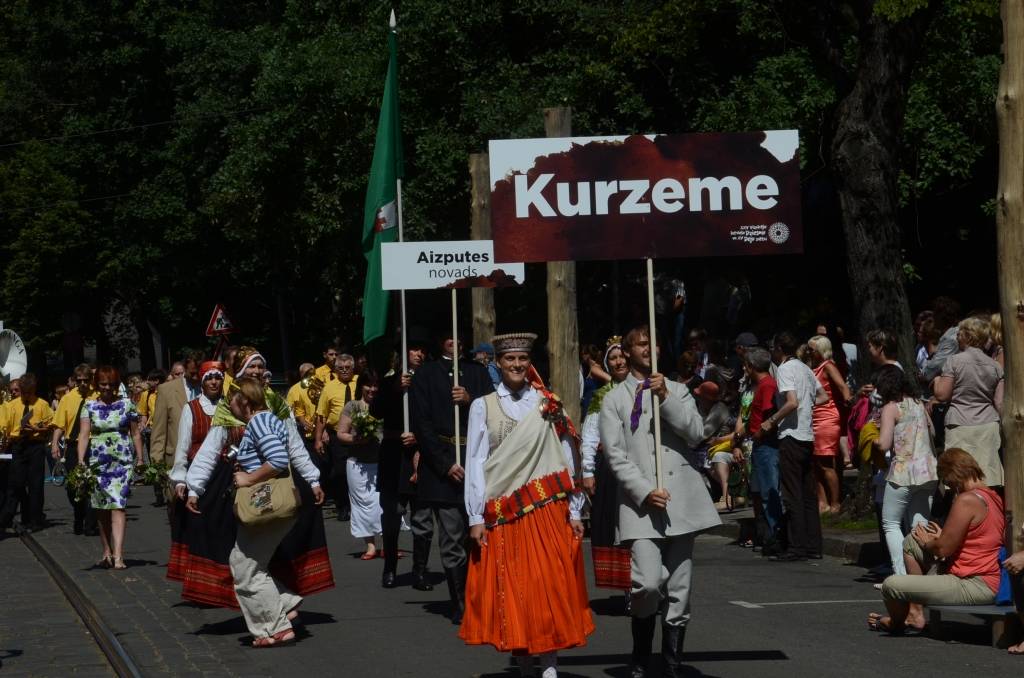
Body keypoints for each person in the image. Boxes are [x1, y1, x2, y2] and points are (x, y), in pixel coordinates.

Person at [461, 332, 593, 678]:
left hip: (547, 506)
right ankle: (524, 666)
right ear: (498, 363)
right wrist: (475, 515)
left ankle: (549, 665)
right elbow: (475, 460)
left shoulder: (547, 402)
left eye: (522, 359)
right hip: (504, 511)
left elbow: (566, 454)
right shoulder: (482, 405)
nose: (517, 365)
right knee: (516, 589)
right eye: (510, 360)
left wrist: (575, 507)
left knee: (548, 587)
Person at [600, 326, 721, 678]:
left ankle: (671, 665)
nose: (648, 348)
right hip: (641, 505)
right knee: (647, 583)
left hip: (682, 500)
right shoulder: (615, 399)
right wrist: (642, 490)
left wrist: (665, 396)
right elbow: (616, 455)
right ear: (627, 351)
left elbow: (696, 433)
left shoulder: (679, 390)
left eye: (653, 341)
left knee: (679, 588)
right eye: (640, 343)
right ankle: (640, 652)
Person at [184, 348, 334, 613]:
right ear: (239, 372)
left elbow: (293, 446)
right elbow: (210, 449)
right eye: (250, 367)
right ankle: (276, 604)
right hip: (240, 485)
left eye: (259, 367)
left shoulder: (277, 403)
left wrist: (312, 479)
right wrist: (194, 486)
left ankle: (279, 608)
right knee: (242, 550)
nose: (255, 371)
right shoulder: (228, 405)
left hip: (275, 481)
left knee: (275, 548)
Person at [193, 377, 300, 647]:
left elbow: (277, 459)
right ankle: (283, 604)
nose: (229, 405)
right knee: (244, 561)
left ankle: (274, 628)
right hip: (274, 505)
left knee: (247, 569)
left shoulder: (260, 421)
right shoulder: (270, 419)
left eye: (232, 399)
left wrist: (248, 479)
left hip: (265, 505)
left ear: (243, 400)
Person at [868, 449, 1005, 634]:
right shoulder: (992, 495)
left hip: (974, 582)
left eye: (947, 482)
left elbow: (943, 550)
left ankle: (896, 623)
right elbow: (976, 538)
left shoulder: (966, 499)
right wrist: (938, 538)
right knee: (910, 542)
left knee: (891, 585)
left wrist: (929, 543)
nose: (948, 487)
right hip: (981, 574)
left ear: (951, 476)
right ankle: (915, 613)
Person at [410, 331, 494, 624]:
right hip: (443, 467)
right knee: (452, 537)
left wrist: (472, 400)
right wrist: (445, 464)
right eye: (447, 336)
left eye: (457, 336)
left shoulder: (478, 372)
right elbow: (421, 423)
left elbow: (494, 415)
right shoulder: (426, 374)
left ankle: (480, 595)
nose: (453, 341)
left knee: (479, 535)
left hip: (476, 461)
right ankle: (460, 603)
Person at [762, 331, 828, 561]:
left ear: (779, 348)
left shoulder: (785, 369)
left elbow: (791, 402)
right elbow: (823, 397)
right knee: (808, 492)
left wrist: (772, 420)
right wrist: (807, 407)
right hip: (807, 436)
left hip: (790, 435)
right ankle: (813, 545)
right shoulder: (805, 368)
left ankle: (797, 546)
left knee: (792, 493)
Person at [872, 365, 938, 576]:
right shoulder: (919, 403)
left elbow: (883, 444)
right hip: (927, 471)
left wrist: (873, 438)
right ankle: (921, 572)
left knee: (890, 523)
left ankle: (901, 574)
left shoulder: (891, 408)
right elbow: (933, 432)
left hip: (903, 471)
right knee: (919, 526)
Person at [374, 334, 428, 589]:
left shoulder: (430, 381)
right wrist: (396, 389)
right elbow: (376, 411)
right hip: (394, 454)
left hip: (421, 452)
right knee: (392, 513)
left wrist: (420, 434)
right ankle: (390, 568)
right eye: (413, 349)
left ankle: (419, 571)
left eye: (421, 350)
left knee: (421, 516)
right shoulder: (388, 382)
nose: (418, 354)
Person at [76, 366, 143, 569]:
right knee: (102, 508)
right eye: (103, 384)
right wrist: (81, 460)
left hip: (122, 460)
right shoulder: (89, 406)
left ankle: (119, 555)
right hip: (99, 461)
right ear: (97, 384)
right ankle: (107, 550)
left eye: (111, 385)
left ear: (116, 386)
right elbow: (85, 434)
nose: (107, 388)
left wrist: (140, 459)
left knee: (118, 505)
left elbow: (136, 433)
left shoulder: (127, 404)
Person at [581, 337, 632, 594]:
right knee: (618, 525)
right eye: (612, 358)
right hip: (612, 468)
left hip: (641, 465)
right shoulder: (602, 395)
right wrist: (587, 470)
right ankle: (628, 587)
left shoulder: (643, 389)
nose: (618, 361)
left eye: (622, 356)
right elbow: (590, 435)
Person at [167, 361, 225, 582]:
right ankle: (202, 578)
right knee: (200, 527)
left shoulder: (230, 406)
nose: (213, 382)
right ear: (202, 382)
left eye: (217, 378)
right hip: (198, 475)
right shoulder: (191, 408)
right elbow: (182, 446)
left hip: (222, 474)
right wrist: (180, 480)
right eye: (209, 378)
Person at [933, 317, 1004, 487]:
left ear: (968, 336)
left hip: (960, 424)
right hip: (988, 425)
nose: (957, 336)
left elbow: (942, 395)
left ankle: (964, 511)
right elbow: (999, 403)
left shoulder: (954, 361)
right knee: (987, 478)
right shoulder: (995, 366)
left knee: (960, 477)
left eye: (960, 333)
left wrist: (936, 381)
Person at [336, 369, 383, 559]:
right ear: (361, 386)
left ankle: (388, 542)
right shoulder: (352, 406)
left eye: (375, 385)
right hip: (358, 464)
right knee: (362, 504)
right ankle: (370, 545)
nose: (372, 389)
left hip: (381, 461)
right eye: (368, 385)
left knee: (383, 503)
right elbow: (341, 433)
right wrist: (357, 439)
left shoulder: (384, 405)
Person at [0, 373, 54, 533]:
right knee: (16, 483)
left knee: (36, 484)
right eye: (23, 392)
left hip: (35, 445)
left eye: (28, 393)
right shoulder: (12, 405)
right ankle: (8, 517)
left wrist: (38, 429)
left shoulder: (42, 405)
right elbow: (5, 428)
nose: (25, 396)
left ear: (34, 390)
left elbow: (52, 424)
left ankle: (35, 520)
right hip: (17, 446)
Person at [806, 335, 853, 513]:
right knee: (815, 463)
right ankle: (822, 502)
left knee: (825, 462)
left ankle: (835, 502)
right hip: (813, 418)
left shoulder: (828, 366)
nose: (809, 352)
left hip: (827, 418)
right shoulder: (814, 368)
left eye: (812, 349)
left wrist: (849, 399)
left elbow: (842, 386)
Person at [50, 364, 98, 535]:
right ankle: (79, 515)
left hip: (93, 445)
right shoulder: (67, 399)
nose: (83, 384)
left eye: (86, 380)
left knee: (92, 485)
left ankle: (91, 524)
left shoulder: (98, 396)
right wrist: (55, 443)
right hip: (72, 445)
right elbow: (59, 425)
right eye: (80, 381)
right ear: (75, 381)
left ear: (91, 380)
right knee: (73, 485)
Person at [743, 347, 782, 552]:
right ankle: (767, 535)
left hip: (766, 444)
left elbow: (769, 412)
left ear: (751, 366)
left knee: (769, 490)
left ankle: (775, 535)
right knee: (760, 489)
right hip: (760, 443)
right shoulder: (762, 385)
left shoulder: (767, 385)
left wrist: (760, 432)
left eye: (746, 365)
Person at [150, 357, 201, 507]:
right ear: (185, 370)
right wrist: (157, 463)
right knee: (177, 513)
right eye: (192, 373)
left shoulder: (209, 387)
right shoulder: (166, 390)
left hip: (203, 460)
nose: (196, 377)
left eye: (199, 373)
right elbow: (159, 430)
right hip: (175, 461)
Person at [314, 353, 360, 519]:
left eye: (348, 368)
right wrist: (318, 439)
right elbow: (321, 415)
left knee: (360, 470)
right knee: (340, 472)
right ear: (336, 370)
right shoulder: (329, 387)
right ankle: (343, 505)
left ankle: (358, 505)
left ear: (353, 368)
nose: (345, 371)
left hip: (360, 434)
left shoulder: (360, 383)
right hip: (337, 435)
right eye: (341, 368)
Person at [694, 381, 735, 511]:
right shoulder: (701, 407)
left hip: (720, 446)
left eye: (700, 396)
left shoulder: (719, 409)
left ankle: (727, 496)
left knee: (696, 457)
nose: (697, 398)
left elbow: (703, 433)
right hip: (705, 446)